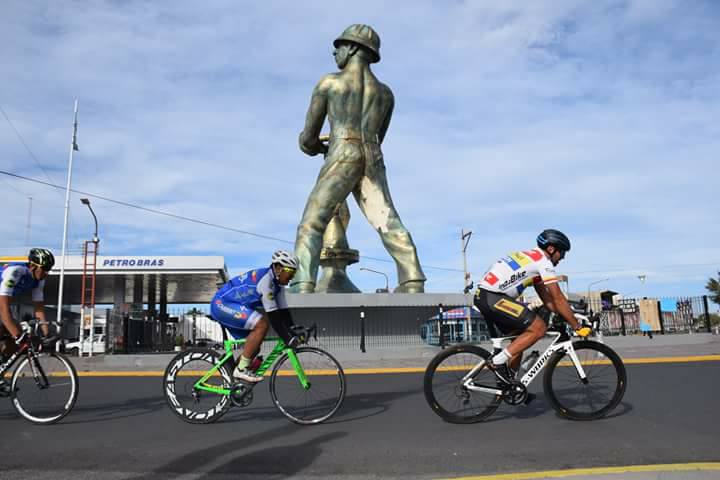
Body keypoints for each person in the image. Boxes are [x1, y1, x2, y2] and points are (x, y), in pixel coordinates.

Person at [292, 24, 426, 294]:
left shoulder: (330, 83)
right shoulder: (386, 94)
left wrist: (315, 146)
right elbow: (380, 136)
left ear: (352, 48)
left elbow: (309, 138)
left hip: (342, 150)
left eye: (339, 46)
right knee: (387, 220)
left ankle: (303, 282)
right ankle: (412, 278)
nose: (335, 52)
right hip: (372, 153)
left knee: (313, 221)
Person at [474, 230, 592, 384]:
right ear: (551, 249)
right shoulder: (543, 262)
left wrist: (567, 315)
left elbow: (547, 298)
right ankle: (497, 362)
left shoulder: (531, 259)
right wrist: (576, 326)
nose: (562, 258)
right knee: (539, 328)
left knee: (519, 342)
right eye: (562, 253)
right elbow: (558, 296)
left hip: (487, 296)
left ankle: (508, 386)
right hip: (492, 297)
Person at [210, 250, 300, 383]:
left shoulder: (278, 286)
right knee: (262, 324)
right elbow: (273, 317)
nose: (292, 277)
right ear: (279, 268)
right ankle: (240, 370)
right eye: (290, 272)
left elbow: (283, 313)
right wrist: (287, 338)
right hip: (222, 304)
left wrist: (294, 330)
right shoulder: (266, 281)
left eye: (295, 273)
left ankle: (232, 380)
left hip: (234, 306)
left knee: (254, 347)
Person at [0, 248, 55, 394]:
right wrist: (18, 336)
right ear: (32, 266)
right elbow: (3, 310)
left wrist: (46, 334)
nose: (46, 273)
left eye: (49, 270)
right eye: (44, 269)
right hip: (2, 305)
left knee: (15, 343)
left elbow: (39, 308)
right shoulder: (15, 272)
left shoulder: (39, 281)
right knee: (16, 334)